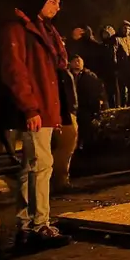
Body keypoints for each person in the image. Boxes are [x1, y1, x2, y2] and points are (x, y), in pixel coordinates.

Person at [0, 0, 72, 249]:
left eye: (58, 3)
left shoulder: (42, 30)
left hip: (43, 107)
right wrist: (30, 108)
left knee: (32, 166)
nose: (57, 7)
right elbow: (15, 70)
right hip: (35, 108)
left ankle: (26, 225)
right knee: (41, 166)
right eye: (52, 1)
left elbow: (52, 70)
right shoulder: (17, 29)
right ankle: (40, 224)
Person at [70, 55, 108, 150]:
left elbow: (99, 91)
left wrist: (100, 104)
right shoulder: (66, 75)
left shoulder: (90, 76)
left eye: (79, 61)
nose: (77, 63)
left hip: (85, 108)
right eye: (75, 61)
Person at [52, 58, 79, 191]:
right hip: (64, 114)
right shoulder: (58, 72)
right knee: (64, 148)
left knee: (66, 148)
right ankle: (59, 181)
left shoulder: (63, 72)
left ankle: (60, 179)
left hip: (67, 112)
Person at [114, 21, 130, 106]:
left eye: (128, 28)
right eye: (125, 28)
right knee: (122, 91)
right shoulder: (116, 39)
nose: (127, 30)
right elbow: (114, 54)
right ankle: (122, 107)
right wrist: (116, 67)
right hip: (121, 68)